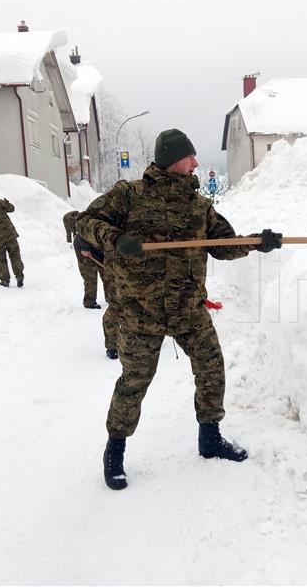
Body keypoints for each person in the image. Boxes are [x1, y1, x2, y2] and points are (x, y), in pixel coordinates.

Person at [76, 128, 282, 490]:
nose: (197, 163)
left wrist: (256, 243)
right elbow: (86, 223)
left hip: (189, 309)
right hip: (142, 312)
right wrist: (116, 238)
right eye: (191, 157)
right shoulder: (129, 195)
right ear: (174, 159)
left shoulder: (199, 205)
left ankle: (210, 437)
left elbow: (221, 244)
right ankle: (115, 452)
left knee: (211, 368)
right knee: (134, 382)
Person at [64, 210, 121, 358]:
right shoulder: (97, 221)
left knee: (106, 276)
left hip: (102, 251)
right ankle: (89, 301)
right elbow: (81, 231)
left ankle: (110, 296)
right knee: (90, 276)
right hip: (85, 248)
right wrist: (85, 249)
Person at [63, 210, 102, 309]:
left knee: (105, 272)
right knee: (90, 274)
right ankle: (89, 302)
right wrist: (85, 248)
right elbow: (79, 233)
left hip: (92, 244)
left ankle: (111, 298)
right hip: (82, 245)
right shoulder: (88, 221)